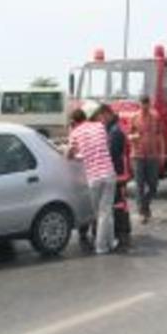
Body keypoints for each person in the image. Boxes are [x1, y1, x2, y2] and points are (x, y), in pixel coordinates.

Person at [67, 103, 117, 255]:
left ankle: (101, 247)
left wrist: (74, 150)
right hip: (108, 174)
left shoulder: (75, 133)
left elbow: (69, 155)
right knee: (106, 212)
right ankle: (111, 241)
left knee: (101, 213)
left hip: (93, 177)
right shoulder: (99, 126)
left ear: (74, 122)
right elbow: (104, 146)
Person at [99, 104, 131, 248]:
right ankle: (123, 228)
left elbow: (112, 154)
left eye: (102, 117)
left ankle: (121, 229)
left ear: (107, 114)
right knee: (119, 201)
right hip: (116, 170)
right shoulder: (112, 128)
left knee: (118, 201)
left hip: (118, 171)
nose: (101, 120)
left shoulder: (115, 131)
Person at [129, 95, 166, 224]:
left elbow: (160, 135)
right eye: (142, 104)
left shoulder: (155, 117)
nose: (144, 107)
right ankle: (142, 212)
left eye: (146, 104)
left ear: (149, 104)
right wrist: (134, 136)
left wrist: (162, 153)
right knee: (139, 185)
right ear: (139, 104)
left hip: (152, 156)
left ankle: (145, 204)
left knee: (153, 185)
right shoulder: (134, 117)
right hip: (137, 156)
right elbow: (129, 135)